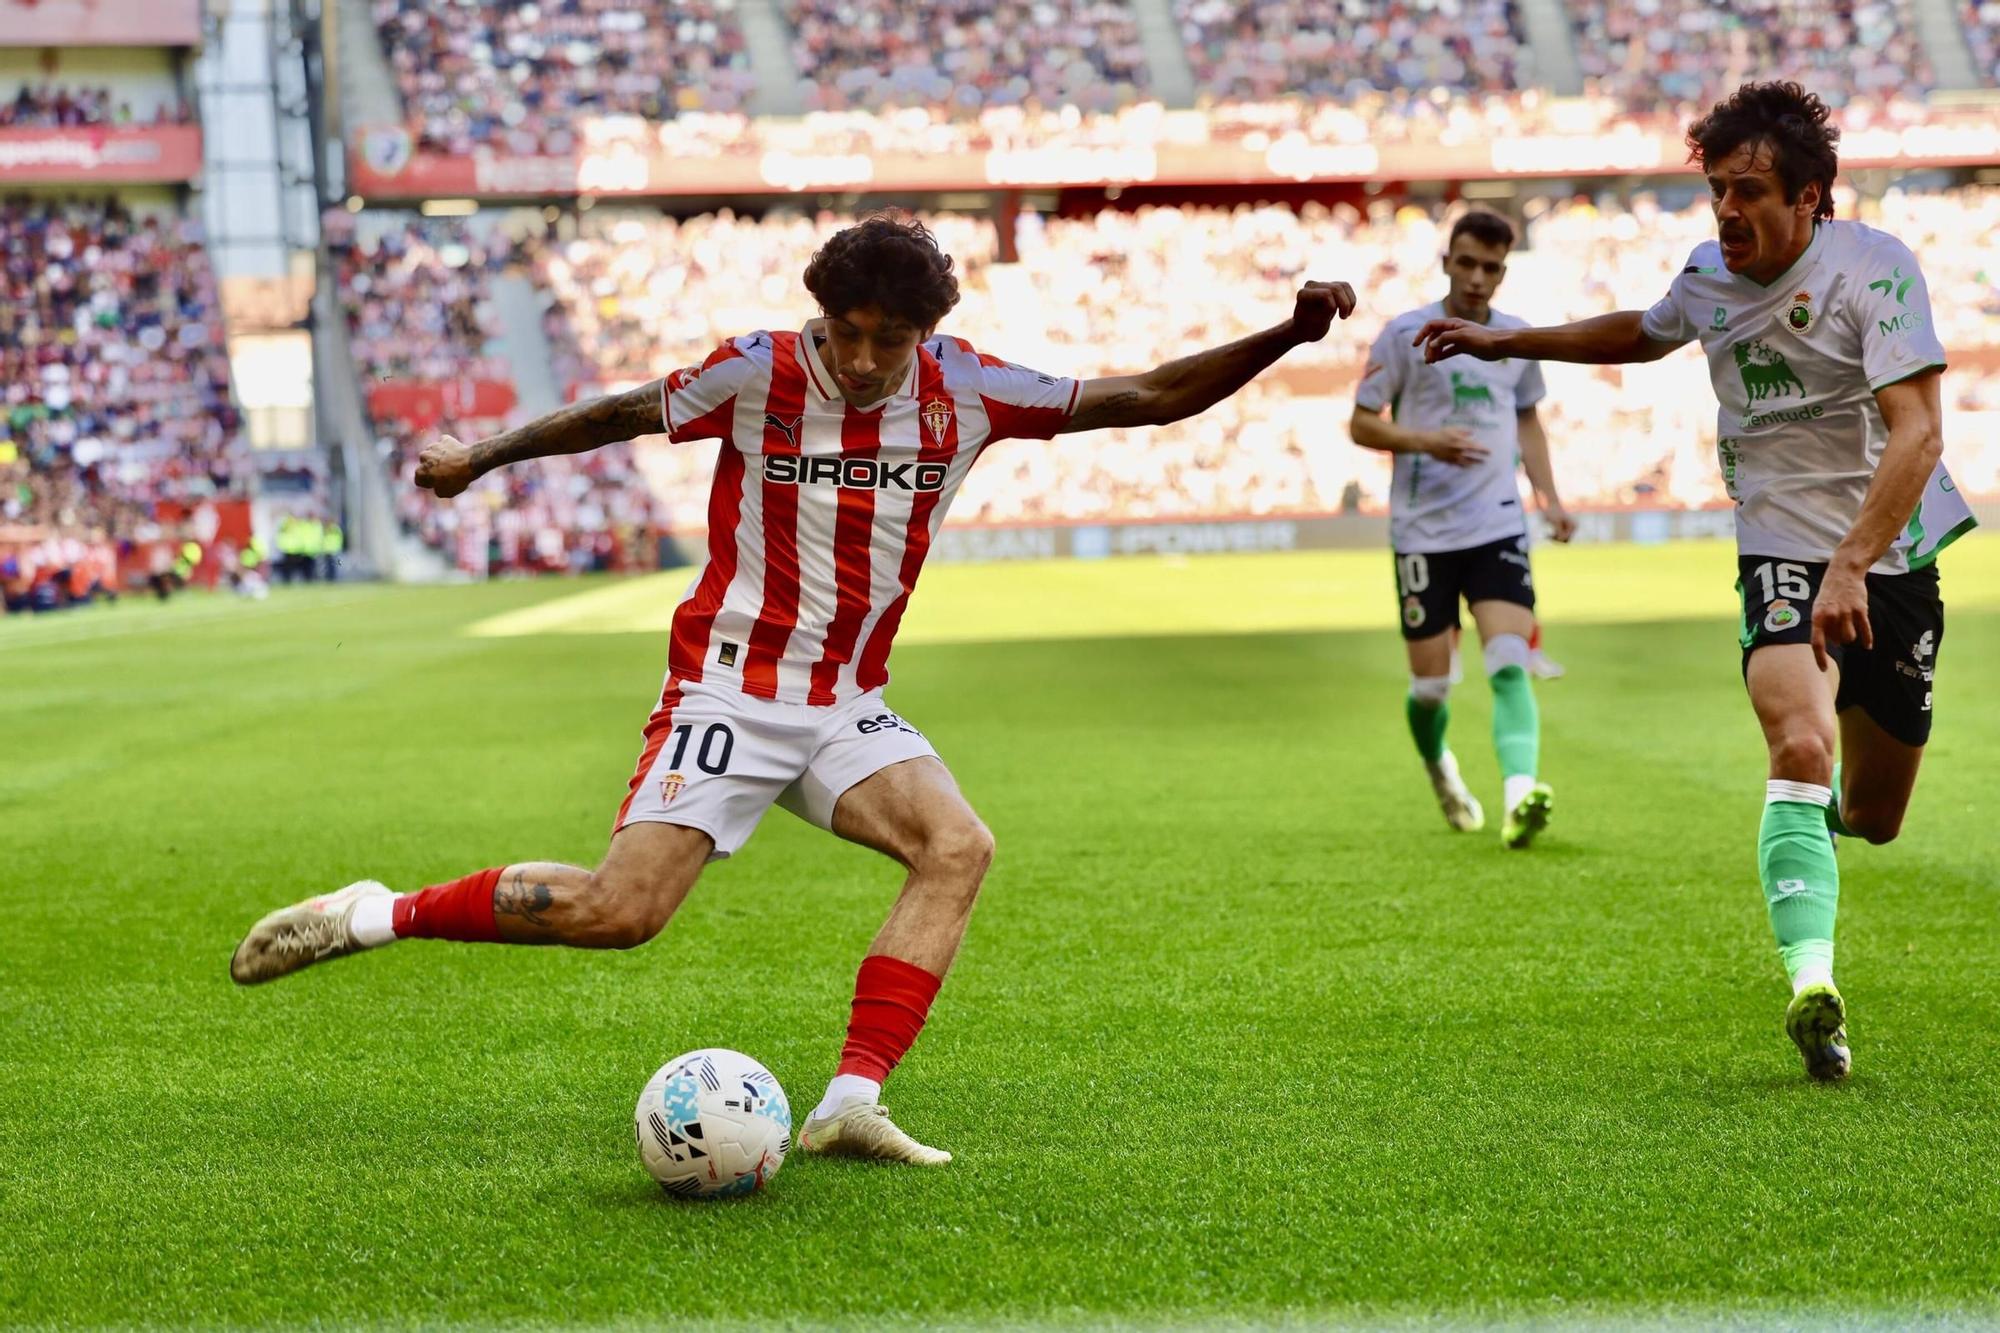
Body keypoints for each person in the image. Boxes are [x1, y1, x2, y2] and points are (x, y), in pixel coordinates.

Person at [230, 214, 1358, 1163]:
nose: (863, 360)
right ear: (819, 315)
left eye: (890, 339)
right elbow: (619, 411)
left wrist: (1287, 332)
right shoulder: (757, 370)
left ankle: (850, 1103)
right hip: (726, 688)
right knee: (618, 914)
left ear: (929, 333)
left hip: (844, 700)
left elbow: (1151, 394)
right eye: (846, 334)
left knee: (957, 846)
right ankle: (373, 913)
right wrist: (483, 456)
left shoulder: (966, 390)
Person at [1415, 82, 1974, 1081]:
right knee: (1795, 740)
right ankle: (1813, 986)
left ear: (1808, 198)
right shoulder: (1707, 276)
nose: (1726, 210)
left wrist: (1853, 559)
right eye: (1716, 189)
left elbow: (1919, 431)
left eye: (1749, 191)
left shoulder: (1874, 272)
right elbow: (1644, 329)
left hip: (1889, 559)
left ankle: (1811, 831)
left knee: (1875, 817)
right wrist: (1509, 340)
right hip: (1777, 555)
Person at [1350, 210, 1575, 848]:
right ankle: (1440, 769)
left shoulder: (1516, 340)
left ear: (1504, 271)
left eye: (1492, 268)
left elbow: (1527, 419)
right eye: (1468, 263)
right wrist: (1425, 441)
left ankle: (1518, 796)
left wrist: (1550, 498)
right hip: (1422, 533)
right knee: (1431, 686)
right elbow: (1362, 424)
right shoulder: (1403, 335)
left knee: (1508, 658)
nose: (1478, 279)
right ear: (1447, 260)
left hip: (1497, 525)